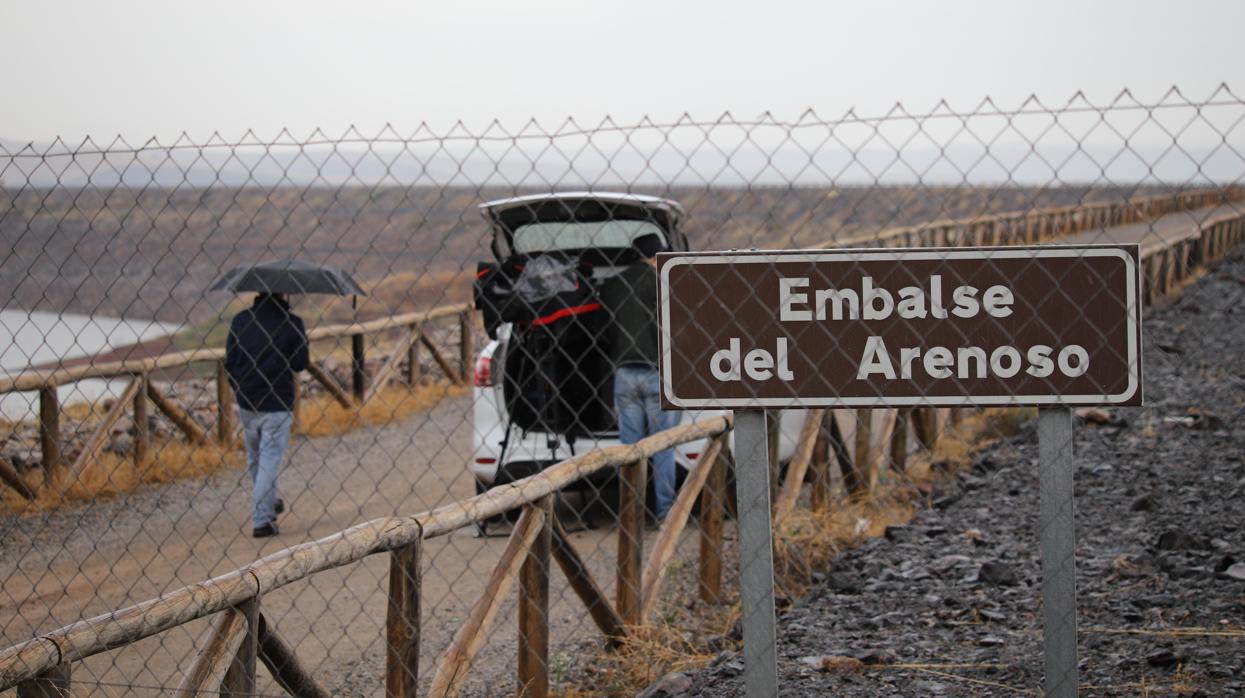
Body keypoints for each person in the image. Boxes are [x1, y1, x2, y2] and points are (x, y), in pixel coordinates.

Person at [601, 233, 682, 520]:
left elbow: (603, 328)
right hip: (658, 373)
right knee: (663, 449)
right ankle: (665, 514)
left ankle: (630, 512)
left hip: (624, 373)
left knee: (630, 451)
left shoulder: (613, 285)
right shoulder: (666, 282)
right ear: (656, 255)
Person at [224, 292, 309, 537]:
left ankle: (268, 502)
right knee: (270, 459)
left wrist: (240, 385)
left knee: (255, 459)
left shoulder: (241, 320)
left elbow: (230, 360)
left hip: (247, 401)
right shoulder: (292, 323)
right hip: (278, 401)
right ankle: (262, 520)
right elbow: (300, 363)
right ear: (284, 293)